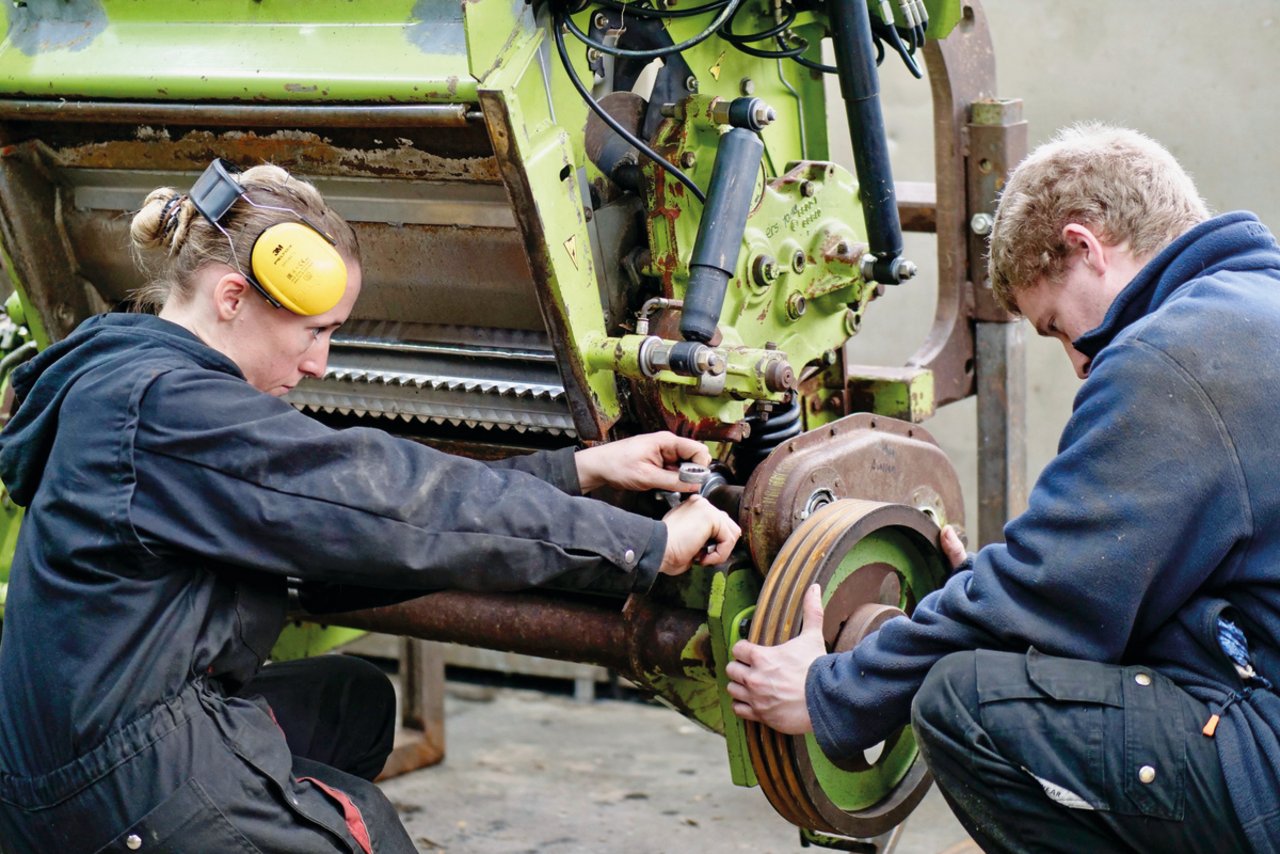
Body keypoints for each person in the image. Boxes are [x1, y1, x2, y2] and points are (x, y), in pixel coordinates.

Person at [0, 160, 742, 853]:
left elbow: (355, 541)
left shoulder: (129, 375)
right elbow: (393, 498)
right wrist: (643, 546)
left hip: (72, 751)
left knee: (352, 701)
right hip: (118, 790)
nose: (319, 363)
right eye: (314, 331)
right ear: (232, 298)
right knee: (370, 825)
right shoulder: (172, 411)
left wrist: (578, 471)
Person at [727, 124, 1280, 852]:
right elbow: (1125, 574)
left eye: (1055, 326)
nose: (1078, 364)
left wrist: (833, 691)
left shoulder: (1170, 355)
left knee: (965, 701)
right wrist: (993, 592)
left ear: (1086, 245)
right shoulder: (1252, 309)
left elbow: (1053, 596)